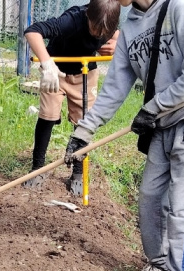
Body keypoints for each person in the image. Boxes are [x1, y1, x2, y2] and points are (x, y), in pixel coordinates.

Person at [63, 0, 184, 271]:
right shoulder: (133, 24)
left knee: (181, 204)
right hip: (162, 122)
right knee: (151, 197)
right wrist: (84, 132)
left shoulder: (183, 8)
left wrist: (154, 107)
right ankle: (159, 266)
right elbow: (114, 87)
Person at [21, 0, 121, 195]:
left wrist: (115, 44)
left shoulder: (109, 25)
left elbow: (119, 38)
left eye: (105, 32)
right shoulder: (72, 19)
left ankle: (77, 172)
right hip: (56, 72)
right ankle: (37, 168)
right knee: (47, 116)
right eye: (95, 29)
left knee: (84, 123)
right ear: (87, 16)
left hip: (85, 73)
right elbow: (33, 31)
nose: (99, 35)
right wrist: (47, 64)